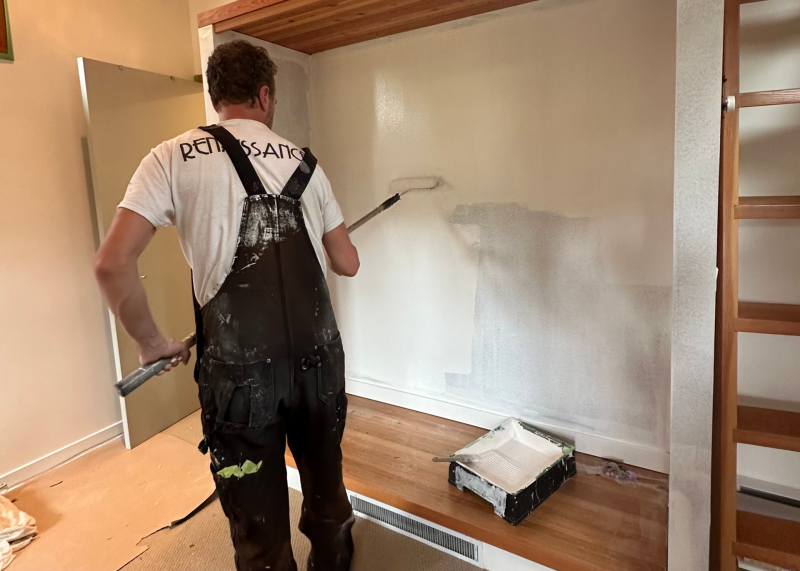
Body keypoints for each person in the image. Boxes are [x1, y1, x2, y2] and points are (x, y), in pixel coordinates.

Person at [94, 40, 359, 571]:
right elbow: (347, 263)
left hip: (240, 382)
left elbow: (111, 263)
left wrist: (152, 343)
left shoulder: (172, 156)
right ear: (265, 94)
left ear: (217, 96)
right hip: (318, 367)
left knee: (257, 522)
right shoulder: (306, 163)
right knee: (326, 487)